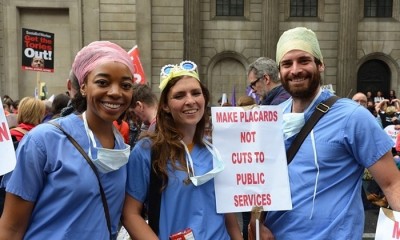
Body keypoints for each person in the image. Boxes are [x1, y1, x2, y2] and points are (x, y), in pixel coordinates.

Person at [250, 27, 400, 240]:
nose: (295, 70)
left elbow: (391, 183)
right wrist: (257, 223)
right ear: (280, 71)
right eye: (287, 64)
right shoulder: (270, 119)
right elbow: (261, 182)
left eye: (304, 60)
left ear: (320, 65)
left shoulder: (353, 117)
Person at [0, 40, 135, 239]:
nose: (115, 92)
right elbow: (11, 228)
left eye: (125, 85)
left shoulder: (122, 150)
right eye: (102, 82)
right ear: (83, 87)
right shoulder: (43, 141)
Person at [122, 60, 242, 239]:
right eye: (179, 96)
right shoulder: (147, 151)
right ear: (165, 105)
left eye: (196, 93)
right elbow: (130, 214)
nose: (190, 101)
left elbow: (227, 212)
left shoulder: (216, 149)